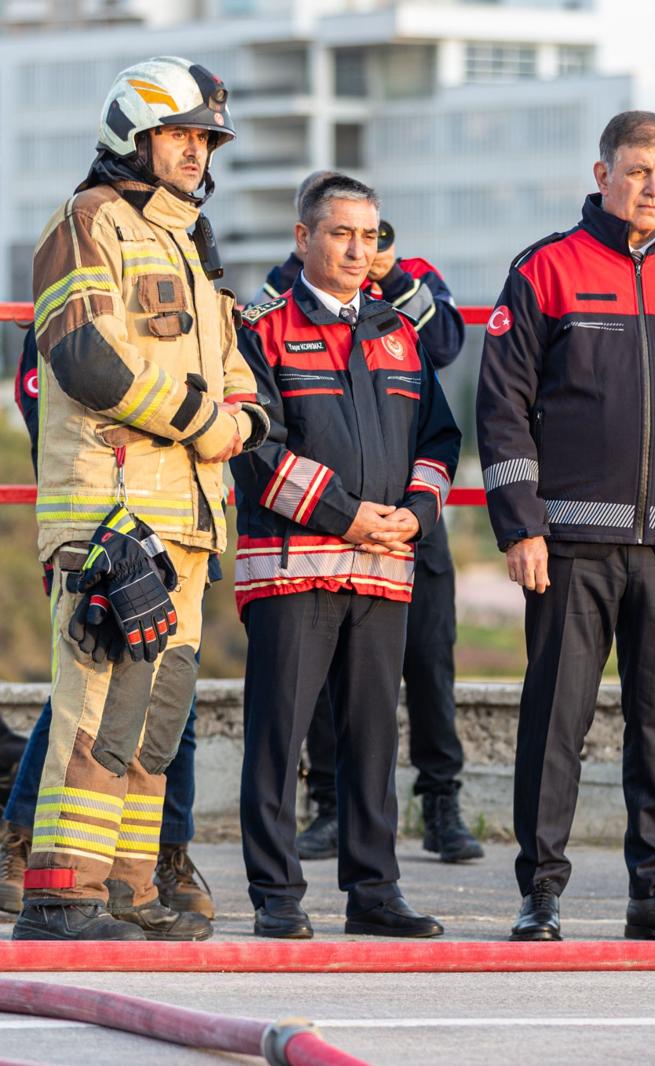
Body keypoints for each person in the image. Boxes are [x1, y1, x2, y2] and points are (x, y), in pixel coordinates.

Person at [477, 110, 655, 943]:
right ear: (601, 174)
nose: (651, 188)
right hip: (569, 543)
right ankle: (542, 891)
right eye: (637, 171)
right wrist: (519, 524)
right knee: (557, 719)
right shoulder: (545, 270)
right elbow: (502, 408)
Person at [14, 56, 267, 942]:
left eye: (204, 139)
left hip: (189, 518)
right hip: (110, 513)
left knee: (155, 716)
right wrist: (207, 422)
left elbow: (241, 373)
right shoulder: (90, 224)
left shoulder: (188, 245)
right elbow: (83, 357)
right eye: (180, 135)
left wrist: (244, 416)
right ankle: (59, 896)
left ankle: (127, 892)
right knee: (96, 705)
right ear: (135, 133)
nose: (196, 153)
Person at [231, 173, 460, 940]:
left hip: (386, 569)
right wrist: (349, 516)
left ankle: (375, 892)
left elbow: (439, 438)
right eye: (340, 233)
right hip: (294, 566)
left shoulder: (399, 330)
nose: (358, 249)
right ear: (303, 239)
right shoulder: (259, 330)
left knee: (372, 738)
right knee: (279, 737)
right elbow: (257, 449)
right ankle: (276, 896)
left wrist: (418, 515)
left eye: (369, 235)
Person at [3, 330, 217, 920]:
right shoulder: (79, 297)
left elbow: (241, 397)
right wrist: (199, 421)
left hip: (183, 527)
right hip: (106, 536)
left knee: (168, 720)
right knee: (86, 713)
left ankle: (142, 873)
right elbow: (74, 404)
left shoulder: (195, 298)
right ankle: (36, 858)